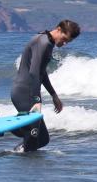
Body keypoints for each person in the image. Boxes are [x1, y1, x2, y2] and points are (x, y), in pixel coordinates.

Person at [11, 19, 80, 152]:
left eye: (68, 42)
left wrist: (54, 95)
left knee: (41, 139)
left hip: (25, 92)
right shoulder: (43, 43)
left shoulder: (45, 40)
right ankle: (13, 129)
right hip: (25, 93)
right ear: (58, 29)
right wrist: (37, 99)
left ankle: (17, 154)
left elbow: (41, 73)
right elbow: (34, 73)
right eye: (64, 39)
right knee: (35, 136)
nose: (64, 43)